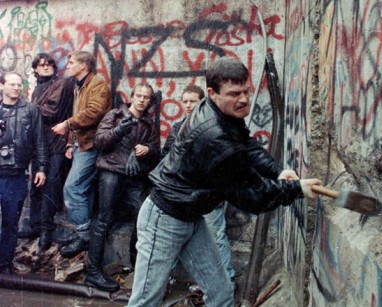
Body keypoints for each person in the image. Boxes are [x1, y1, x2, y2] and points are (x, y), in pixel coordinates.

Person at [128, 57, 321, 307]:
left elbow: (246, 144)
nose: (243, 99)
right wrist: (297, 189)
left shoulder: (221, 111)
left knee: (221, 293)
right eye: (234, 94)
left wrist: (277, 172)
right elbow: (253, 197)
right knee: (145, 302)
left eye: (246, 91)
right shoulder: (214, 136)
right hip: (164, 220)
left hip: (191, 215)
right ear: (212, 93)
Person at [85, 83, 160, 292]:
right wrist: (119, 130)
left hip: (134, 177)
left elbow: (156, 150)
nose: (142, 100)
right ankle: (93, 273)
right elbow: (99, 142)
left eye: (146, 97)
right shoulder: (116, 115)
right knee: (104, 220)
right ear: (132, 96)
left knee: (143, 218)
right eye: (139, 96)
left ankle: (138, 270)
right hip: (111, 172)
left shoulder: (148, 124)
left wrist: (147, 149)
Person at [161, 84, 236, 287]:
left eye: (192, 101)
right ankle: (166, 280)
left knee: (215, 237)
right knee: (174, 237)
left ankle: (226, 281)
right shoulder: (178, 128)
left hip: (208, 195)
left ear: (202, 102)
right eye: (184, 101)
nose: (187, 105)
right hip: (182, 196)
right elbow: (165, 158)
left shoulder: (216, 127)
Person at [52, 50, 112, 258]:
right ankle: (83, 235)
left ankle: (85, 237)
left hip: (91, 146)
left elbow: (94, 112)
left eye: (71, 62)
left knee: (72, 188)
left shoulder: (97, 85)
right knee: (84, 191)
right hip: (80, 145)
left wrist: (67, 125)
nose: (67, 66)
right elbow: (79, 114)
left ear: (84, 65)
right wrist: (70, 143)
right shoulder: (79, 85)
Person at [18, 53, 74, 251]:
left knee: (51, 186)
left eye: (49, 64)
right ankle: (34, 226)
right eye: (41, 65)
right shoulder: (37, 89)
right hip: (38, 143)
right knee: (36, 185)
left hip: (56, 142)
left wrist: (29, 109)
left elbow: (53, 111)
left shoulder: (62, 84)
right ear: (35, 69)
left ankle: (46, 231)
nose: (46, 67)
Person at [0, 72, 47, 274]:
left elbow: (39, 141)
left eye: (19, 85)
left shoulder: (31, 110)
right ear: (2, 86)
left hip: (16, 175)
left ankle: (4, 265)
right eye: (12, 84)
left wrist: (42, 168)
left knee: (11, 222)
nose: (16, 88)